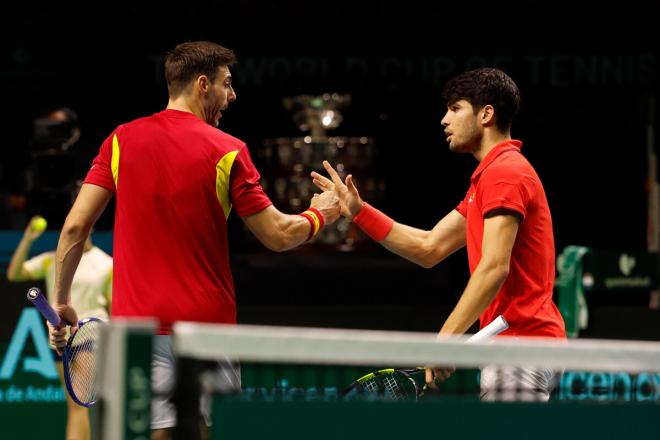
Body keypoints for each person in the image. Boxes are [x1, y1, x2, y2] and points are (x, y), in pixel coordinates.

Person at [48, 40, 340, 439]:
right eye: (227, 84)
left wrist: (61, 300)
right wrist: (320, 215)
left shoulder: (120, 140)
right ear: (203, 84)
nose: (232, 96)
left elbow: (73, 228)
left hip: (141, 332)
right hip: (207, 332)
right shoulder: (228, 150)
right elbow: (277, 234)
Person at [312, 67, 566, 401]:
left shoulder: (505, 173)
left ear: (486, 114)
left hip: (520, 345)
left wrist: (446, 342)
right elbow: (428, 247)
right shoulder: (488, 179)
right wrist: (360, 212)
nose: (444, 120)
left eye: (455, 108)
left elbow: (494, 268)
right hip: (516, 344)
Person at [7, 215, 112, 440]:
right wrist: (27, 239)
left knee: (81, 406)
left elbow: (115, 308)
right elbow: (15, 274)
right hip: (61, 340)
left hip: (91, 336)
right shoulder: (53, 260)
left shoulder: (106, 264)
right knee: (76, 407)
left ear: (91, 225)